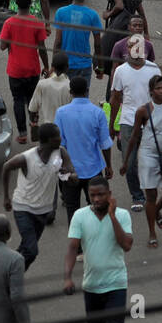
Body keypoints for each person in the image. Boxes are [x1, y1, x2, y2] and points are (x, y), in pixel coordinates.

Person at [63, 176, 133, 323]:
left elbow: (126, 245)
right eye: (92, 195)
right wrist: (67, 277)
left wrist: (112, 217)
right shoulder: (80, 216)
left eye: (100, 195)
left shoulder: (122, 215)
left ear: (109, 194)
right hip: (91, 286)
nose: (96, 199)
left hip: (116, 285)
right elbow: (72, 248)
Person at [3, 121, 73, 271]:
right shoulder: (26, 158)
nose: (60, 139)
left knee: (27, 247)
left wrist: (69, 173)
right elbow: (6, 167)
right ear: (47, 140)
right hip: (23, 208)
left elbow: (74, 176)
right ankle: (13, 275)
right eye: (57, 137)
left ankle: (7, 269)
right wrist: (6, 197)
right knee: (32, 249)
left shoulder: (61, 152)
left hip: (43, 210)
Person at [121, 74, 162, 248]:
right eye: (159, 88)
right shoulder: (143, 111)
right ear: (151, 91)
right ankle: (152, 232)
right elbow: (133, 137)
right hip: (148, 155)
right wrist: (126, 162)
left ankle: (157, 211)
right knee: (151, 196)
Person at [108, 36, 159, 211]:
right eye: (132, 46)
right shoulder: (121, 71)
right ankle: (137, 195)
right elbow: (115, 99)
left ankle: (151, 191)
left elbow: (159, 96)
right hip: (128, 122)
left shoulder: (153, 69)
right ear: (127, 49)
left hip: (150, 122)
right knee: (129, 162)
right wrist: (112, 125)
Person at [55, 75, 113, 223]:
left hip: (70, 172)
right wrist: (109, 166)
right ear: (87, 91)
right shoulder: (97, 113)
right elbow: (105, 144)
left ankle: (77, 245)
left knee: (72, 212)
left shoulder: (61, 113)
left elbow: (58, 144)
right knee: (98, 210)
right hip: (93, 170)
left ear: (70, 92)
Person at [0, 0, 49, 144]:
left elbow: (2, 46)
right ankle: (34, 124)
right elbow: (42, 48)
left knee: (18, 100)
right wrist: (47, 66)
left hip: (15, 70)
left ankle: (22, 134)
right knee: (32, 100)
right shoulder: (36, 22)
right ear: (31, 3)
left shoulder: (9, 23)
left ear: (15, 2)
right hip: (32, 68)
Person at [53, 0, 103, 87]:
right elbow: (98, 44)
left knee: (65, 98)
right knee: (82, 98)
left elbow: (58, 42)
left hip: (64, 65)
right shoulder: (92, 15)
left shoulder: (60, 12)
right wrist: (100, 66)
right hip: (84, 66)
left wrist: (54, 66)